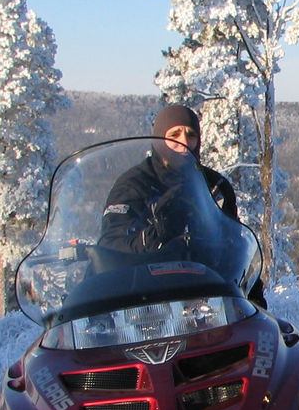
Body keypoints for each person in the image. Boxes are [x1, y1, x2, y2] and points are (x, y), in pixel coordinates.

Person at [99, 104, 266, 307]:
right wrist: (157, 234)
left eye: (191, 134)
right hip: (147, 298)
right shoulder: (134, 185)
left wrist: (252, 296)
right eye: (175, 134)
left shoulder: (214, 186)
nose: (184, 142)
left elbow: (235, 245)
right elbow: (110, 246)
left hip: (210, 298)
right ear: (160, 138)